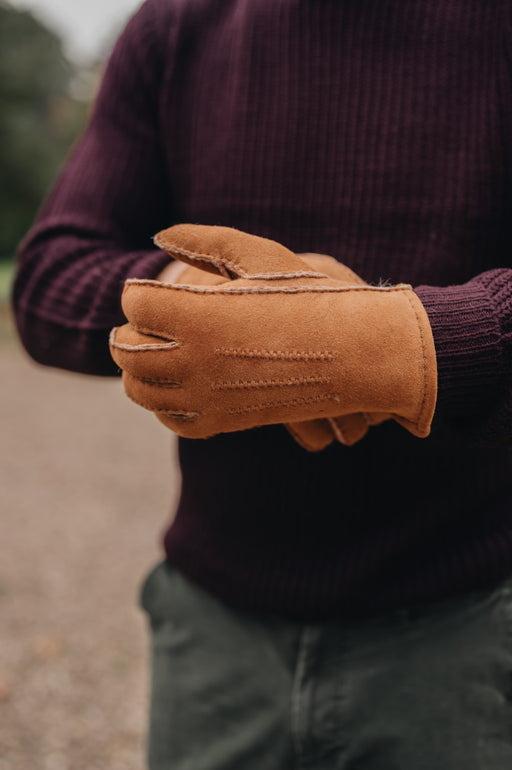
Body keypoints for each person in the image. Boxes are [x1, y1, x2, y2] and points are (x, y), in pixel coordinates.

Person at [12, 1, 512, 768]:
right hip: (214, 634)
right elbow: (49, 276)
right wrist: (188, 300)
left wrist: (407, 345)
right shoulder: (174, 29)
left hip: (468, 627)